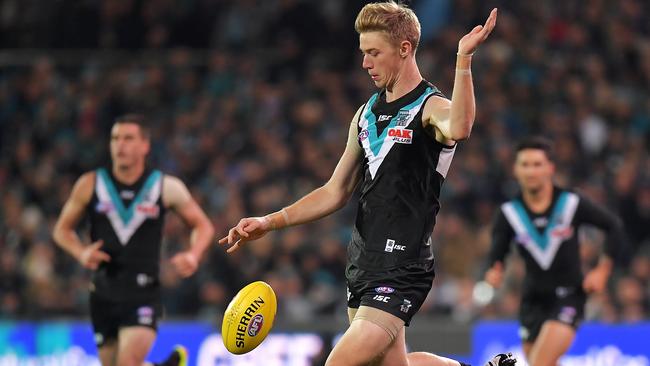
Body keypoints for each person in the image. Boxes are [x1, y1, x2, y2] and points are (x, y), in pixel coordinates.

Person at [221, 2, 515, 366]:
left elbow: (460, 126)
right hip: (362, 263)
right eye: (363, 53)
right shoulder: (365, 115)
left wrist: (463, 60)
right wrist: (269, 221)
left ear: (404, 49)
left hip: (403, 264)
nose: (365, 63)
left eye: (374, 53)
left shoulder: (430, 106)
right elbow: (335, 190)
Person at [53, 114, 215, 366]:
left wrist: (194, 254)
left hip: (143, 292)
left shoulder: (164, 187)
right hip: (102, 293)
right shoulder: (90, 184)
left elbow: (202, 225)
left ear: (145, 145)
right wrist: (81, 252)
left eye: (128, 138)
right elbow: (62, 230)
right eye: (115, 138)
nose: (120, 145)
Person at [483, 137, 624, 366]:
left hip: (568, 296)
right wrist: (494, 271)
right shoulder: (510, 213)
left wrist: (602, 271)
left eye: (537, 164)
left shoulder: (570, 202)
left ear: (550, 168)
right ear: (516, 170)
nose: (531, 171)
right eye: (525, 164)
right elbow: (497, 254)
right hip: (531, 301)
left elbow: (613, 227)